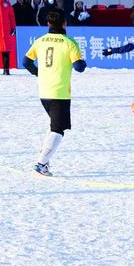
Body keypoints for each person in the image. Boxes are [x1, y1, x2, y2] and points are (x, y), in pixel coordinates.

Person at [22, 9, 87, 176]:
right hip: (60, 92)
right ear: (64, 23)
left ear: (48, 24)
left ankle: (44, 157)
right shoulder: (69, 42)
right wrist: (83, 62)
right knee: (58, 130)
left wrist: (38, 73)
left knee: (54, 127)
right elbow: (79, 67)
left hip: (43, 91)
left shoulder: (40, 40)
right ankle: (41, 163)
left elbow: (26, 62)